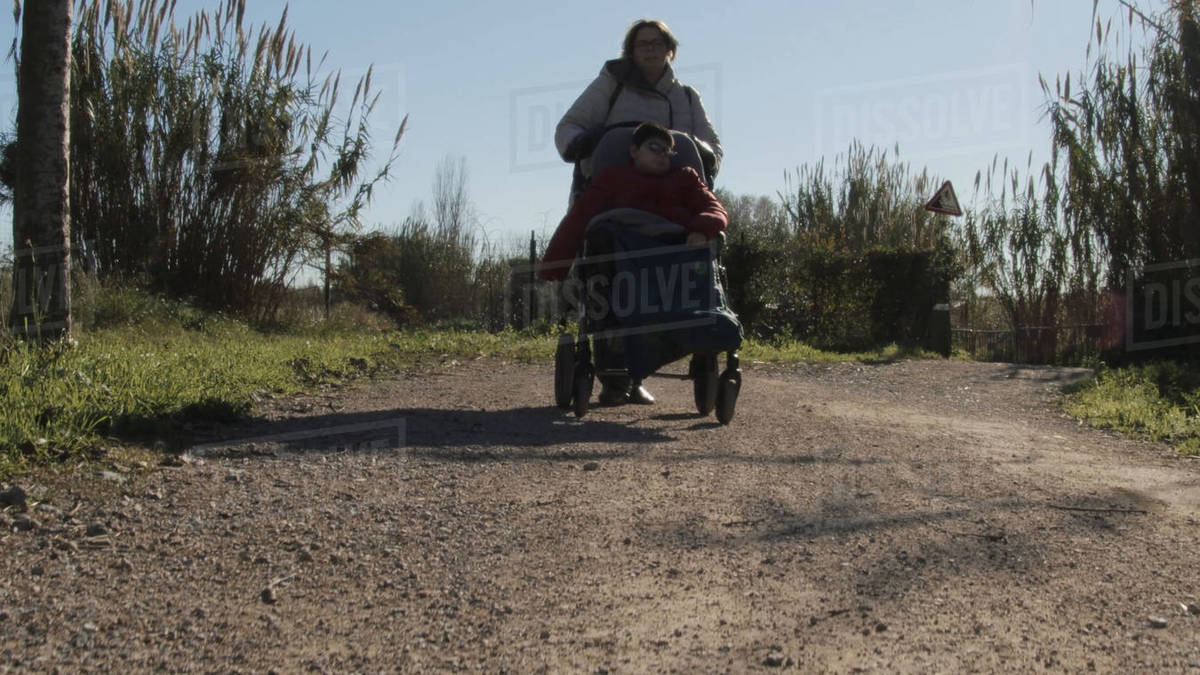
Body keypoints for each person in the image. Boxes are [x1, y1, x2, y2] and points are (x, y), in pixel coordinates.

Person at [539, 122, 729, 406]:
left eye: (668, 151)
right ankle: (615, 376)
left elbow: (715, 208)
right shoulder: (612, 179)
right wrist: (556, 266)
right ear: (634, 151)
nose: (663, 155)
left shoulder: (686, 178)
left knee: (704, 253)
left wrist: (701, 228)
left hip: (673, 262)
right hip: (621, 266)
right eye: (655, 148)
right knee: (600, 236)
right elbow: (579, 219)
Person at [556, 19, 723, 192]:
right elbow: (569, 126)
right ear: (631, 51)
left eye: (657, 43)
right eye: (642, 44)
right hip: (611, 196)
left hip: (676, 198)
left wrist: (704, 158)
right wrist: (584, 143)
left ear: (669, 49)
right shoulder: (611, 85)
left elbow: (711, 144)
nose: (650, 49)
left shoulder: (688, 97)